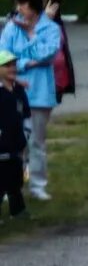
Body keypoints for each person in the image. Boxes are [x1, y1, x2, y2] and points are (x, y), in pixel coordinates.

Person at [2, 0, 64, 200]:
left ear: (34, 6)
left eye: (23, 4)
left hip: (40, 94)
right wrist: (26, 63)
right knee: (12, 142)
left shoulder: (51, 28)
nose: (19, 9)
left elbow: (48, 54)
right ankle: (12, 186)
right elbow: (5, 58)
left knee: (36, 141)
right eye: (18, 4)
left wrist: (31, 36)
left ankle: (38, 184)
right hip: (13, 90)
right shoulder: (11, 28)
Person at [0, 51, 28, 217]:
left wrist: (26, 136)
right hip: (1, 143)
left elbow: (25, 114)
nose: (12, 68)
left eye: (14, 65)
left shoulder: (18, 89)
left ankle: (18, 210)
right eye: (7, 65)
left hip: (17, 141)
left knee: (16, 177)